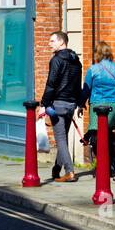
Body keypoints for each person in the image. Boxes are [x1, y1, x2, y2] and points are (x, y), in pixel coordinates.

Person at [41, 31, 82, 182]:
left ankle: (70, 172)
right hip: (71, 104)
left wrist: (43, 104)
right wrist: (79, 104)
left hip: (58, 104)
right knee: (62, 138)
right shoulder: (76, 61)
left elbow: (51, 84)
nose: (49, 44)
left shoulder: (56, 60)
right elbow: (78, 85)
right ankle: (56, 169)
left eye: (52, 41)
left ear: (61, 42)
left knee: (60, 139)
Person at [83, 40, 115, 135]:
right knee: (110, 132)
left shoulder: (92, 69)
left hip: (97, 104)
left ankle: (98, 149)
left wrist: (80, 104)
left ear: (97, 53)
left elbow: (86, 90)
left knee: (96, 132)